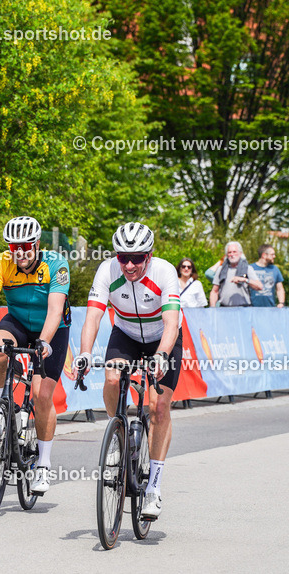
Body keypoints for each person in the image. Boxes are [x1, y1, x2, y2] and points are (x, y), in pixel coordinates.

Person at [74, 222, 181, 521]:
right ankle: (117, 432)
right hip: (127, 335)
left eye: (137, 258)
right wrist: (84, 352)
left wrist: (161, 355)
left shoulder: (164, 272)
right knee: (111, 376)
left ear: (149, 255)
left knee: (158, 407)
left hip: (163, 337)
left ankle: (154, 489)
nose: (130, 265)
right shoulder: (107, 271)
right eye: (123, 257)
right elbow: (93, 316)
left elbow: (172, 322)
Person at [0, 216, 70, 495]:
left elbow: (55, 311)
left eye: (25, 246)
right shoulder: (2, 261)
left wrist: (44, 342)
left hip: (53, 329)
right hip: (19, 323)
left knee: (41, 395)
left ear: (36, 244)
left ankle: (44, 465)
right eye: (14, 247)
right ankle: (0, 411)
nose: (19, 252)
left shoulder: (56, 264)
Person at [208, 241, 261, 307]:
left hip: (243, 310)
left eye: (234, 252)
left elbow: (259, 286)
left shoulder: (247, 268)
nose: (232, 254)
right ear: (227, 255)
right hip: (224, 310)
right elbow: (214, 291)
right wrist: (212, 308)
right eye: (229, 252)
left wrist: (244, 280)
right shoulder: (221, 269)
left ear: (240, 253)